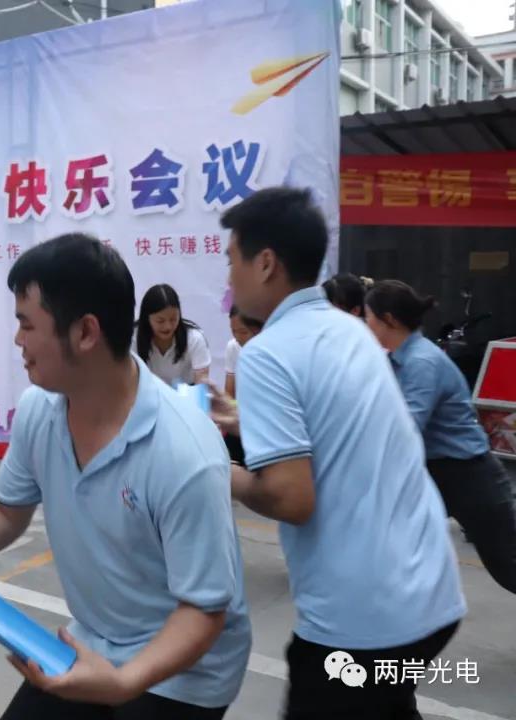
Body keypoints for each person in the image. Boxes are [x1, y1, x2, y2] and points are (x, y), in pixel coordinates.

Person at [0, 234, 251, 719]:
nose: (18, 340)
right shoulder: (41, 409)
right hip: (93, 642)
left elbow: (203, 611)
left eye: (27, 324)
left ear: (85, 332)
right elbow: (5, 513)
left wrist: (121, 684)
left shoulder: (184, 451)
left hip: (184, 674)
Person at [211, 187, 465, 719]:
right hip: (430, 593)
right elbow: (336, 424)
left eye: (232, 260)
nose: (228, 277)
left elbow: (290, 497)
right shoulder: (350, 331)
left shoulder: (267, 353)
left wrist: (211, 465)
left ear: (265, 263)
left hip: (360, 623)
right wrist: (241, 419)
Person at [365, 279, 516, 594]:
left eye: (369, 317)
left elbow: (405, 428)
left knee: (507, 566)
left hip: (469, 476)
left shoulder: (421, 362)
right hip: (437, 473)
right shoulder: (398, 360)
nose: (365, 324)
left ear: (388, 319)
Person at [135, 283, 210, 386]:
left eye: (173, 319)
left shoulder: (194, 338)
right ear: (146, 318)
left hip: (186, 392)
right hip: (147, 391)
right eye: (160, 321)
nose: (168, 326)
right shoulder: (133, 338)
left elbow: (202, 384)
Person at [223, 305, 263, 399]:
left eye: (243, 332)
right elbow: (229, 395)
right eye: (233, 331)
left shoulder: (272, 351)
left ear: (259, 329)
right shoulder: (233, 347)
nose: (238, 337)